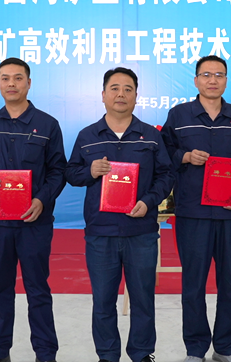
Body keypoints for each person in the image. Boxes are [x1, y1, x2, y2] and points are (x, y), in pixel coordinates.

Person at [65, 67, 174, 362]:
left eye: (128, 89)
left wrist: (149, 202)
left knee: (143, 300)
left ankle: (142, 354)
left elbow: (166, 175)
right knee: (103, 301)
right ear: (103, 95)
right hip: (101, 233)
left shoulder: (151, 136)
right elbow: (71, 173)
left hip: (141, 232)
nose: (121, 94)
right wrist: (90, 171)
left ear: (137, 96)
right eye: (114, 88)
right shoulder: (87, 136)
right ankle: (107, 355)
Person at [161, 55, 231, 362]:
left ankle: (226, 347)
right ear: (196, 80)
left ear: (226, 80)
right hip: (193, 212)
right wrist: (185, 156)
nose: (212, 80)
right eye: (206, 74)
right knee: (193, 283)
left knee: (230, 282)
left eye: (219, 74)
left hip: (230, 210)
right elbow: (163, 151)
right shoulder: (179, 115)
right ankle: (195, 349)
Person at [0, 58, 66, 362]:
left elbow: (58, 171)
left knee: (38, 289)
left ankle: (46, 353)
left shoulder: (48, 125)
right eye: (5, 78)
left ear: (29, 83)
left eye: (18, 78)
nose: (11, 83)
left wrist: (42, 200)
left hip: (34, 222)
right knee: (0, 288)